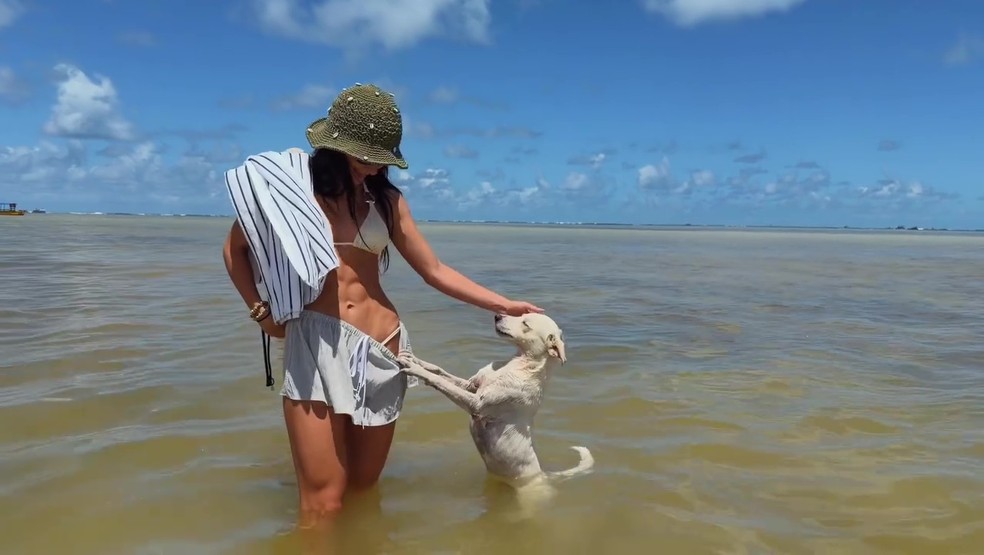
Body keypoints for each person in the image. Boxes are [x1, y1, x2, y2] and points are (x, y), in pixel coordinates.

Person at [221, 83, 543, 526]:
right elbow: (234, 251)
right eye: (363, 158)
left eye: (380, 160)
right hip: (315, 347)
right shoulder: (290, 193)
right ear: (336, 147)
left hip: (383, 349)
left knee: (362, 488)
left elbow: (434, 270)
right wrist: (260, 312)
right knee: (322, 503)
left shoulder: (387, 201)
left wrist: (505, 304)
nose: (372, 168)